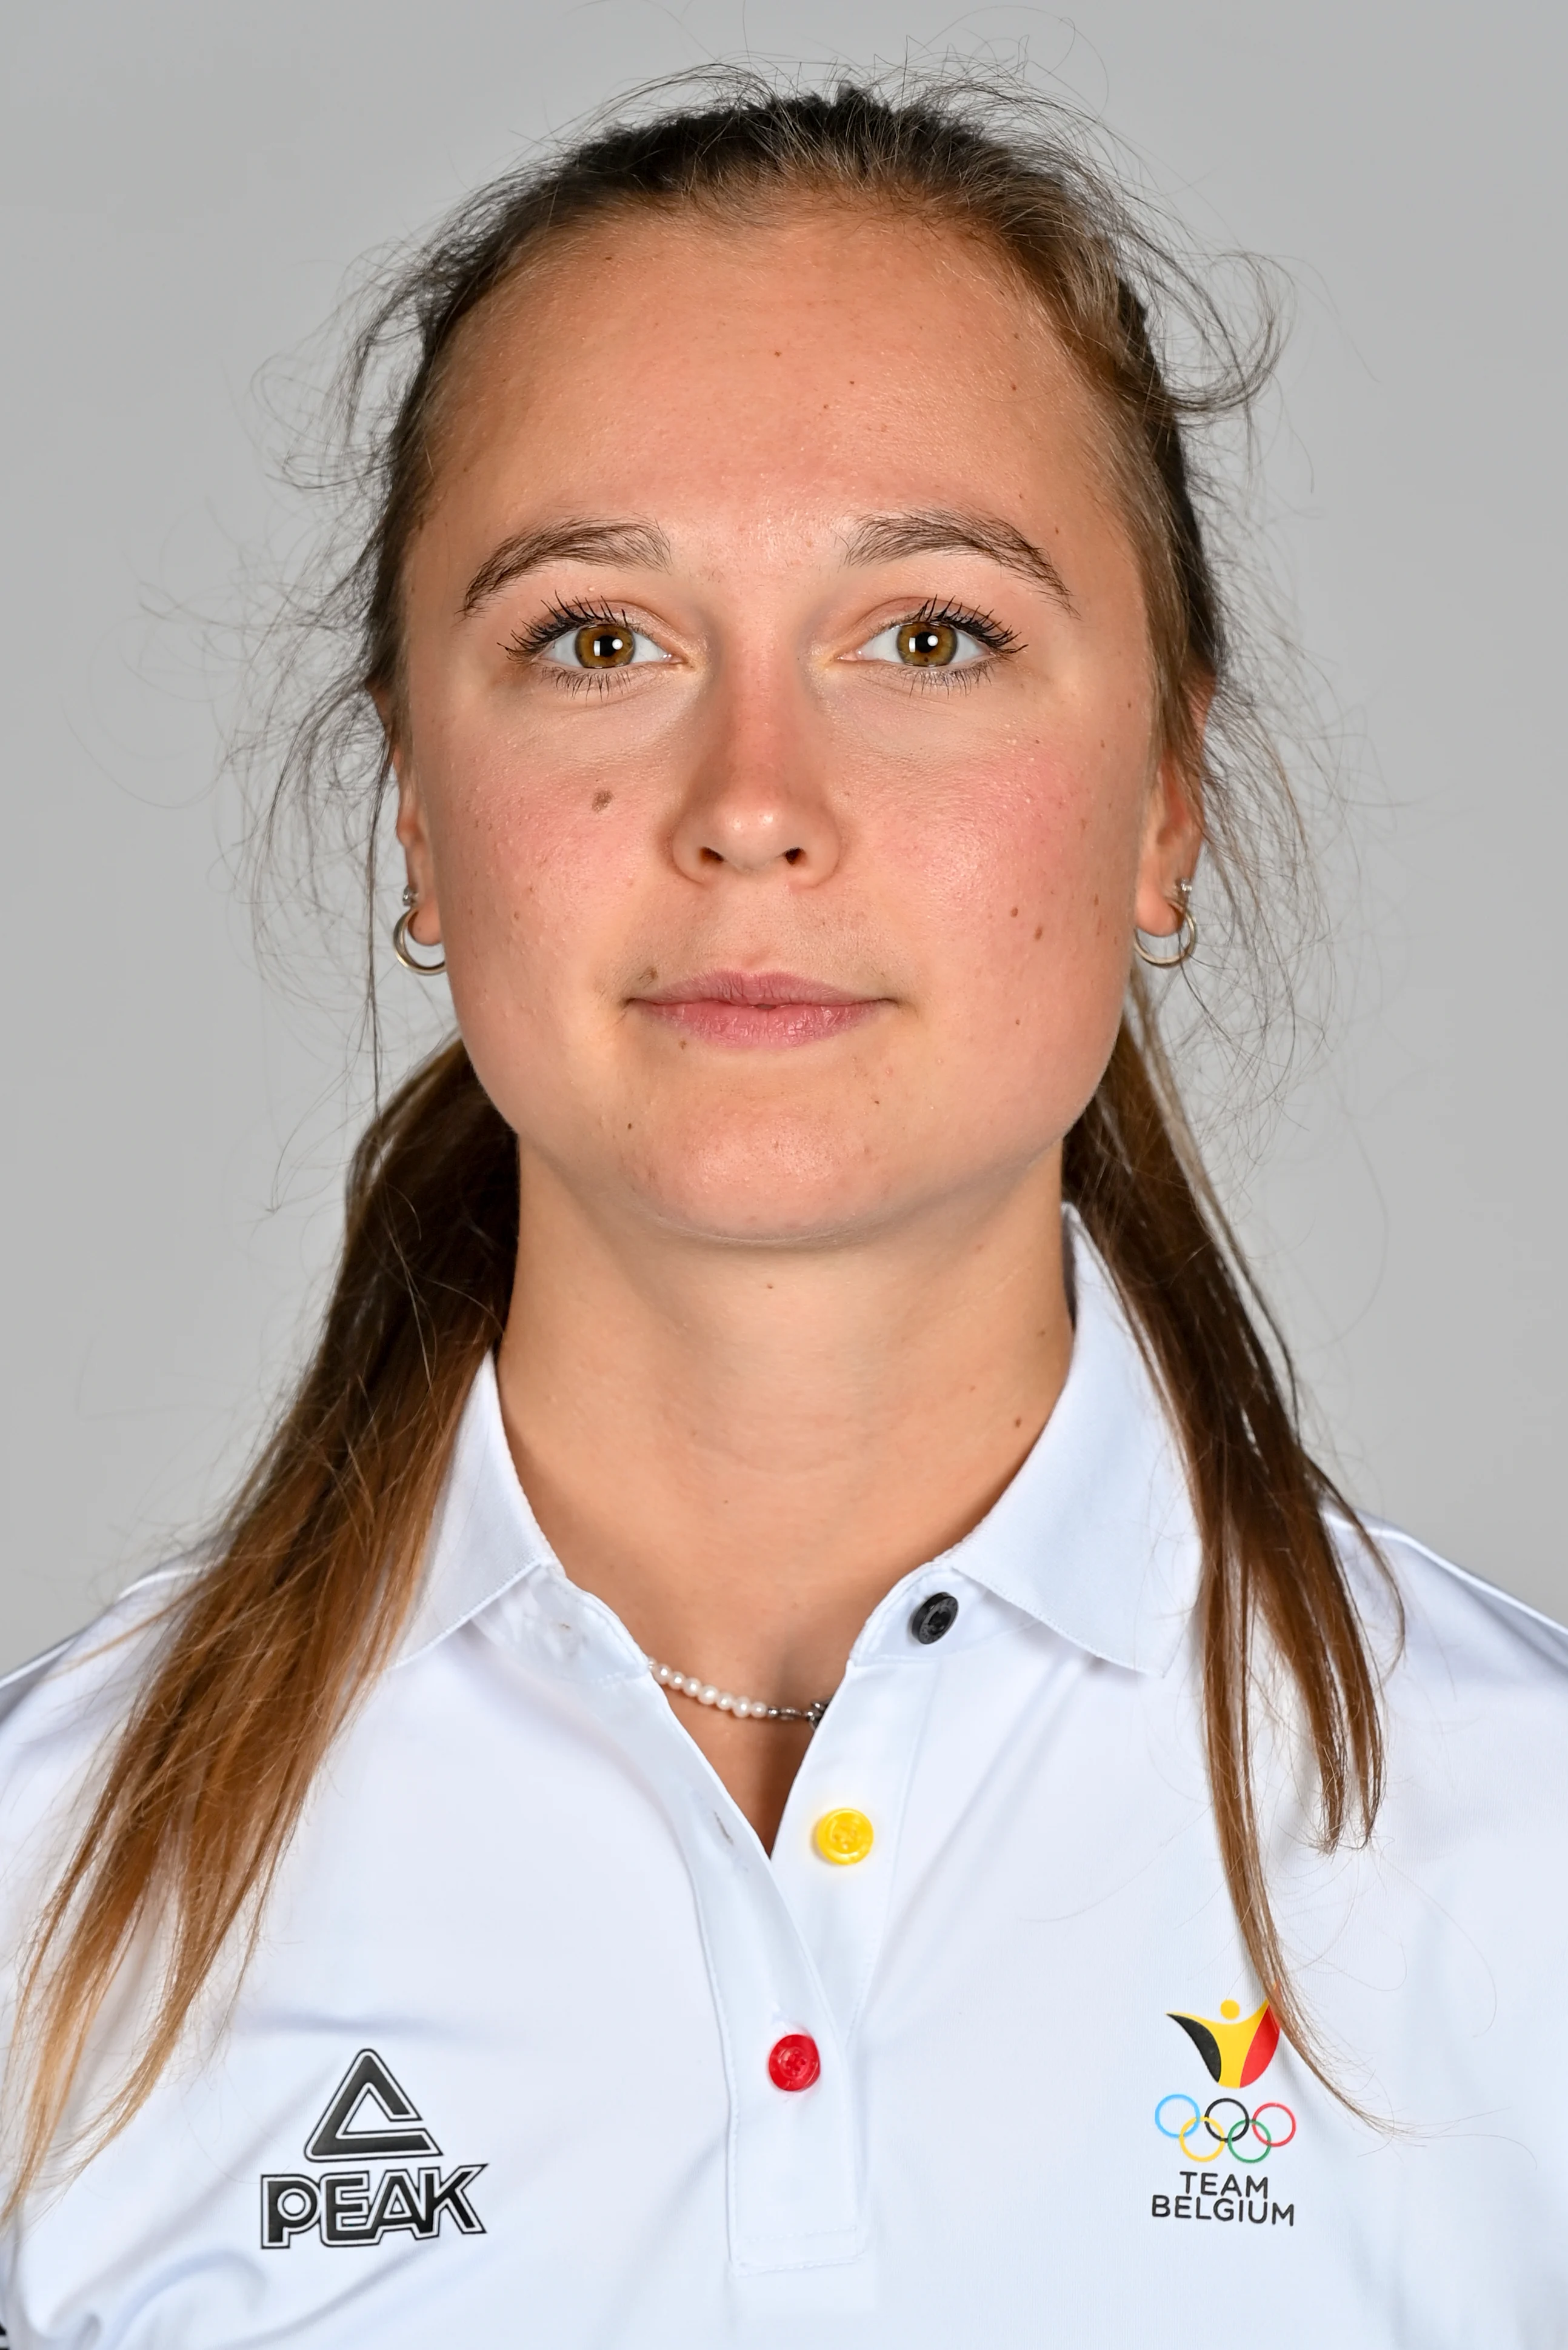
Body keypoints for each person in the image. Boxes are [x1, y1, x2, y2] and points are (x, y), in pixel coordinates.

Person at [1, 72, 1564, 2348]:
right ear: (422, 827)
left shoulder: (1528, 1879)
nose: (753, 806)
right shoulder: (46, 1901)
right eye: (595, 637)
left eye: (928, 635)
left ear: (1165, 802)